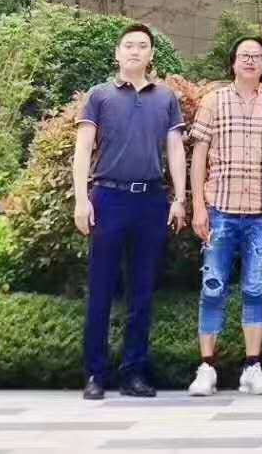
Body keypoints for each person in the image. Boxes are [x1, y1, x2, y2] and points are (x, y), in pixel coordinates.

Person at [73, 23, 186, 401]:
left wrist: (179, 197)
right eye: (128, 45)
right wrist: (81, 199)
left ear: (151, 55)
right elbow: (83, 150)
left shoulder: (165, 97)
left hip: (151, 201)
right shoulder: (99, 95)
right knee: (101, 289)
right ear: (117, 54)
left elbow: (175, 149)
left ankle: (134, 372)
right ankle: (95, 373)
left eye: (142, 46)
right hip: (108, 198)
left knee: (142, 291)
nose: (135, 51)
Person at [187, 36, 262, 397]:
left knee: (255, 288)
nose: (250, 61)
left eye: (257, 56)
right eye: (244, 55)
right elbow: (199, 155)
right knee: (212, 286)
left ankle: (252, 367)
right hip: (219, 210)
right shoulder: (213, 101)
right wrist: (198, 207)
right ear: (233, 62)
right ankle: (207, 367)